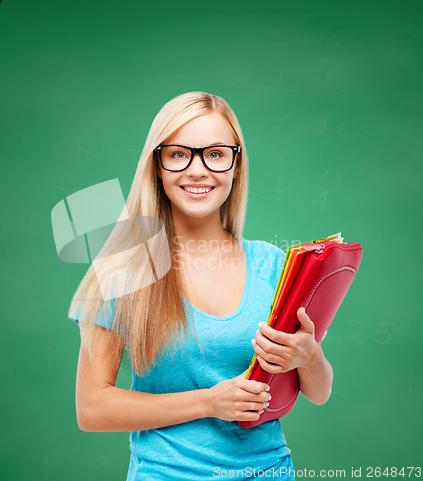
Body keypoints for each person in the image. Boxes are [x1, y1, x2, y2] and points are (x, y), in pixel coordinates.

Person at [68, 91, 333, 480]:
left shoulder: (274, 265)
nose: (197, 170)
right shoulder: (121, 274)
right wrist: (210, 402)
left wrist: (309, 357)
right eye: (178, 154)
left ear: (235, 165)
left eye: (215, 153)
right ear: (156, 165)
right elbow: (92, 408)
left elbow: (319, 392)